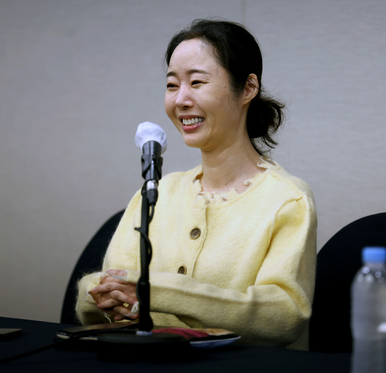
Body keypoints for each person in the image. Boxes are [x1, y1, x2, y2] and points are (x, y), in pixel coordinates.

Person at [75, 19, 317, 350]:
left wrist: (150, 294)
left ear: (247, 88)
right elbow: (107, 291)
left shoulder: (287, 200)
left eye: (197, 82)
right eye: (172, 86)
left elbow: (284, 314)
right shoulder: (157, 192)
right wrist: (100, 297)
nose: (181, 100)